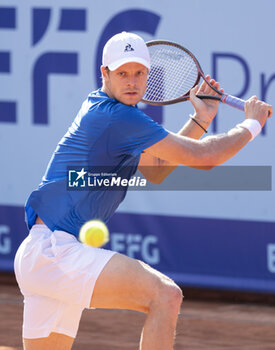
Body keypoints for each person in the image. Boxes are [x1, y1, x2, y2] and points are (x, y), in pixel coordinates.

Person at [14, 31, 272, 350]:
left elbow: (156, 170)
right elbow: (205, 158)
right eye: (122, 73)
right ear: (104, 74)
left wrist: (201, 118)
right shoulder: (118, 116)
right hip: (57, 253)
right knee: (165, 295)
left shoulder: (109, 111)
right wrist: (252, 124)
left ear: (148, 75)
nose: (132, 81)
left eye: (139, 73)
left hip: (42, 258)